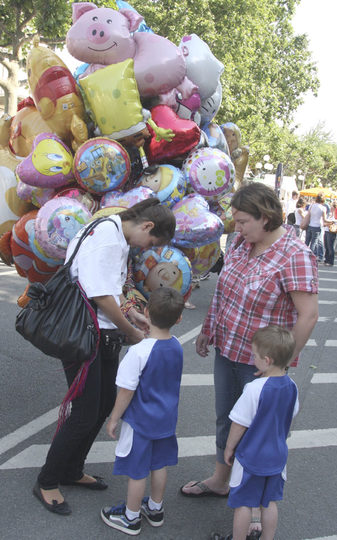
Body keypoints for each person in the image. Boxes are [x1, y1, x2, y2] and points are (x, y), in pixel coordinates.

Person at [180, 182, 318, 539]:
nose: (236, 229)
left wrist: (282, 364)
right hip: (229, 349)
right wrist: (208, 329)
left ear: (266, 216)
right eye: (235, 222)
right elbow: (225, 291)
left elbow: (308, 315)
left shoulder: (294, 254)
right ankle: (221, 480)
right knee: (228, 420)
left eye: (243, 221)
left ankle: (254, 508)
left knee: (258, 435)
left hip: (262, 362)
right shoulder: (242, 243)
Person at [33, 198, 176, 516]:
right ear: (147, 226)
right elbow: (99, 295)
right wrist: (132, 331)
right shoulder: (109, 238)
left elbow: (110, 289)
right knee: (85, 411)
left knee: (101, 406)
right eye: (151, 242)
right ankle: (47, 480)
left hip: (100, 333)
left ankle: (71, 469)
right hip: (85, 334)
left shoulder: (112, 232)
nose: (147, 247)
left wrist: (132, 314)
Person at [100, 287, 185, 536]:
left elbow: (126, 391)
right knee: (159, 465)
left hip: (140, 421)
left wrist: (114, 418)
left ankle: (131, 517)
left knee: (137, 470)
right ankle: (155, 508)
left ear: (146, 312)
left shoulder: (138, 351)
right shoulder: (177, 346)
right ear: (179, 319)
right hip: (166, 419)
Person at [210, 326, 299, 540]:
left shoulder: (254, 388)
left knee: (243, 503)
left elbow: (238, 424)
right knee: (268, 502)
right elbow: (292, 412)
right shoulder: (292, 386)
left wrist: (229, 448)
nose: (253, 358)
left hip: (251, 456)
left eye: (255, 356)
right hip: (277, 456)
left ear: (267, 360)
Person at [305, 192, 327, 261]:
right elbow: (324, 219)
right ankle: (310, 257)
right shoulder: (323, 208)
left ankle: (304, 254)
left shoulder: (312, 206)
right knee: (314, 242)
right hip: (317, 226)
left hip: (310, 225)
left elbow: (308, 215)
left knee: (307, 241)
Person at [323, 202, 337, 266]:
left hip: (331, 231)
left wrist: (327, 224)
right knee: (326, 246)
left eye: (332, 207)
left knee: (330, 246)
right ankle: (326, 260)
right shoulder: (329, 214)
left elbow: (334, 222)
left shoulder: (335, 215)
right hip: (326, 230)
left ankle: (330, 261)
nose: (331, 208)